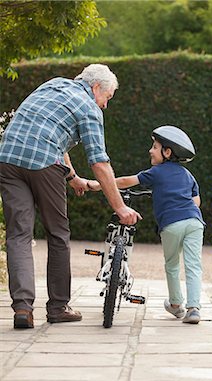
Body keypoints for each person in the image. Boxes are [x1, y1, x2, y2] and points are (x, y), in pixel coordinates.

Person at [0, 63, 141, 329]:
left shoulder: (53, 84)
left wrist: (73, 178)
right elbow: (99, 163)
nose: (105, 106)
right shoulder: (88, 108)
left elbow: (49, 133)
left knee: (18, 234)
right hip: (43, 164)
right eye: (107, 98)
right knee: (58, 233)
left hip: (7, 159)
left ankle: (22, 308)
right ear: (96, 87)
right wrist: (120, 208)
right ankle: (57, 307)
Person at [89, 125, 205, 324]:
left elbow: (127, 180)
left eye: (154, 146)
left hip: (172, 224)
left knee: (172, 264)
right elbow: (196, 202)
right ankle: (193, 308)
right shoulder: (188, 175)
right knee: (194, 265)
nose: (150, 150)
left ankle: (176, 304)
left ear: (167, 152)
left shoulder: (156, 172)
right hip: (195, 221)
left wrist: (101, 184)